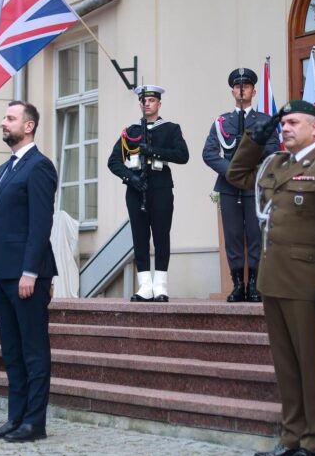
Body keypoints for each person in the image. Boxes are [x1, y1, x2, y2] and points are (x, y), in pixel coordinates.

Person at [227, 100, 315, 456]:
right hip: (273, 279)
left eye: (292, 122)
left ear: (314, 128)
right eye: (283, 123)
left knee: (310, 364)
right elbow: (237, 176)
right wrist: (253, 141)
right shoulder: (275, 163)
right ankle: (291, 439)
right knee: (287, 366)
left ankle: (314, 442)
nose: (285, 128)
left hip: (308, 282)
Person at [0, 101, 58, 443]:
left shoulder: (39, 166)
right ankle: (15, 417)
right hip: (0, 273)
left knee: (33, 350)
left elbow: (41, 224)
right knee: (11, 351)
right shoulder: (5, 169)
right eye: (4, 118)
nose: (4, 123)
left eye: (10, 118)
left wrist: (31, 271)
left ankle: (34, 422)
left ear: (28, 126)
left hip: (27, 275)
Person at [203, 68, 280, 302]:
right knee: (233, 235)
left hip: (254, 185)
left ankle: (255, 285)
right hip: (229, 186)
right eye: (238, 86)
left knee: (256, 235)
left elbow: (274, 149)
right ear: (232, 91)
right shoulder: (222, 121)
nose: (242, 89)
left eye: (246, 86)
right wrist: (231, 172)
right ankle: (238, 284)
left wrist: (249, 155)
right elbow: (209, 153)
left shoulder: (264, 121)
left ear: (254, 91)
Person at [107, 85, 189, 302]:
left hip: (161, 187)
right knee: (140, 236)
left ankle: (161, 285)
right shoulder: (130, 131)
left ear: (159, 104)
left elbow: (183, 155)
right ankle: (145, 286)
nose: (147, 104)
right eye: (144, 100)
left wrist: (152, 150)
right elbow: (113, 161)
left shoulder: (170, 129)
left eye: (151, 100)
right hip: (136, 189)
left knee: (161, 235)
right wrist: (130, 178)